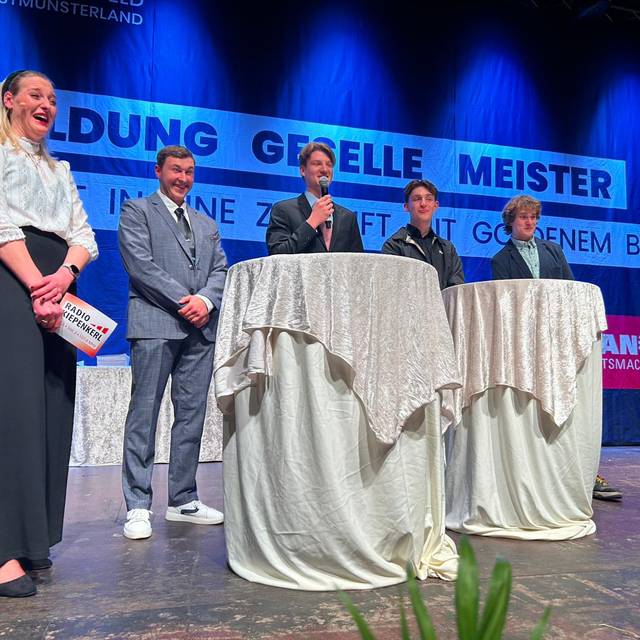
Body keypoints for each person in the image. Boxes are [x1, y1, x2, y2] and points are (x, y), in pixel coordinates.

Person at [0, 70, 98, 597]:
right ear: (9, 100)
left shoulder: (60, 170)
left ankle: (32, 538)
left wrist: (63, 277)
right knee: (13, 412)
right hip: (12, 283)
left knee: (51, 409)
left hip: (57, 289)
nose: (47, 105)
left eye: (53, 99)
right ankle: (2, 549)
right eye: (36, 95)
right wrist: (38, 285)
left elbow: (83, 234)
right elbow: (1, 223)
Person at [118, 145, 228, 540]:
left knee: (192, 416)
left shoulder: (206, 223)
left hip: (200, 330)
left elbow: (221, 269)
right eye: (176, 170)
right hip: (155, 322)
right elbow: (140, 266)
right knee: (143, 415)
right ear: (158, 171)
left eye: (189, 171)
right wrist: (188, 301)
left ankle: (183, 499)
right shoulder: (136, 211)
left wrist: (207, 301)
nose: (183, 178)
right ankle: (137, 504)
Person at [491, 194, 622, 501]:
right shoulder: (501, 259)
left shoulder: (554, 250)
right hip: (526, 345)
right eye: (523, 217)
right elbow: (506, 305)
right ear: (511, 221)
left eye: (533, 217)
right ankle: (538, 476)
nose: (529, 222)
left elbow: (570, 291)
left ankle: (583, 474)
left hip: (559, 340)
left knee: (570, 407)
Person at [266, 141, 364, 254]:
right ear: (303, 170)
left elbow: (358, 261)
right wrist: (312, 222)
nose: (325, 169)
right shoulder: (283, 210)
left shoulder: (348, 218)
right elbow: (277, 253)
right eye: (317, 164)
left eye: (329, 165)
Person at [382, 179, 464, 289]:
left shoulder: (448, 249)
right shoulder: (393, 246)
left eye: (429, 199)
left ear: (436, 205)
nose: (423, 204)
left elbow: (456, 291)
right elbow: (391, 289)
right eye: (417, 199)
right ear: (406, 206)